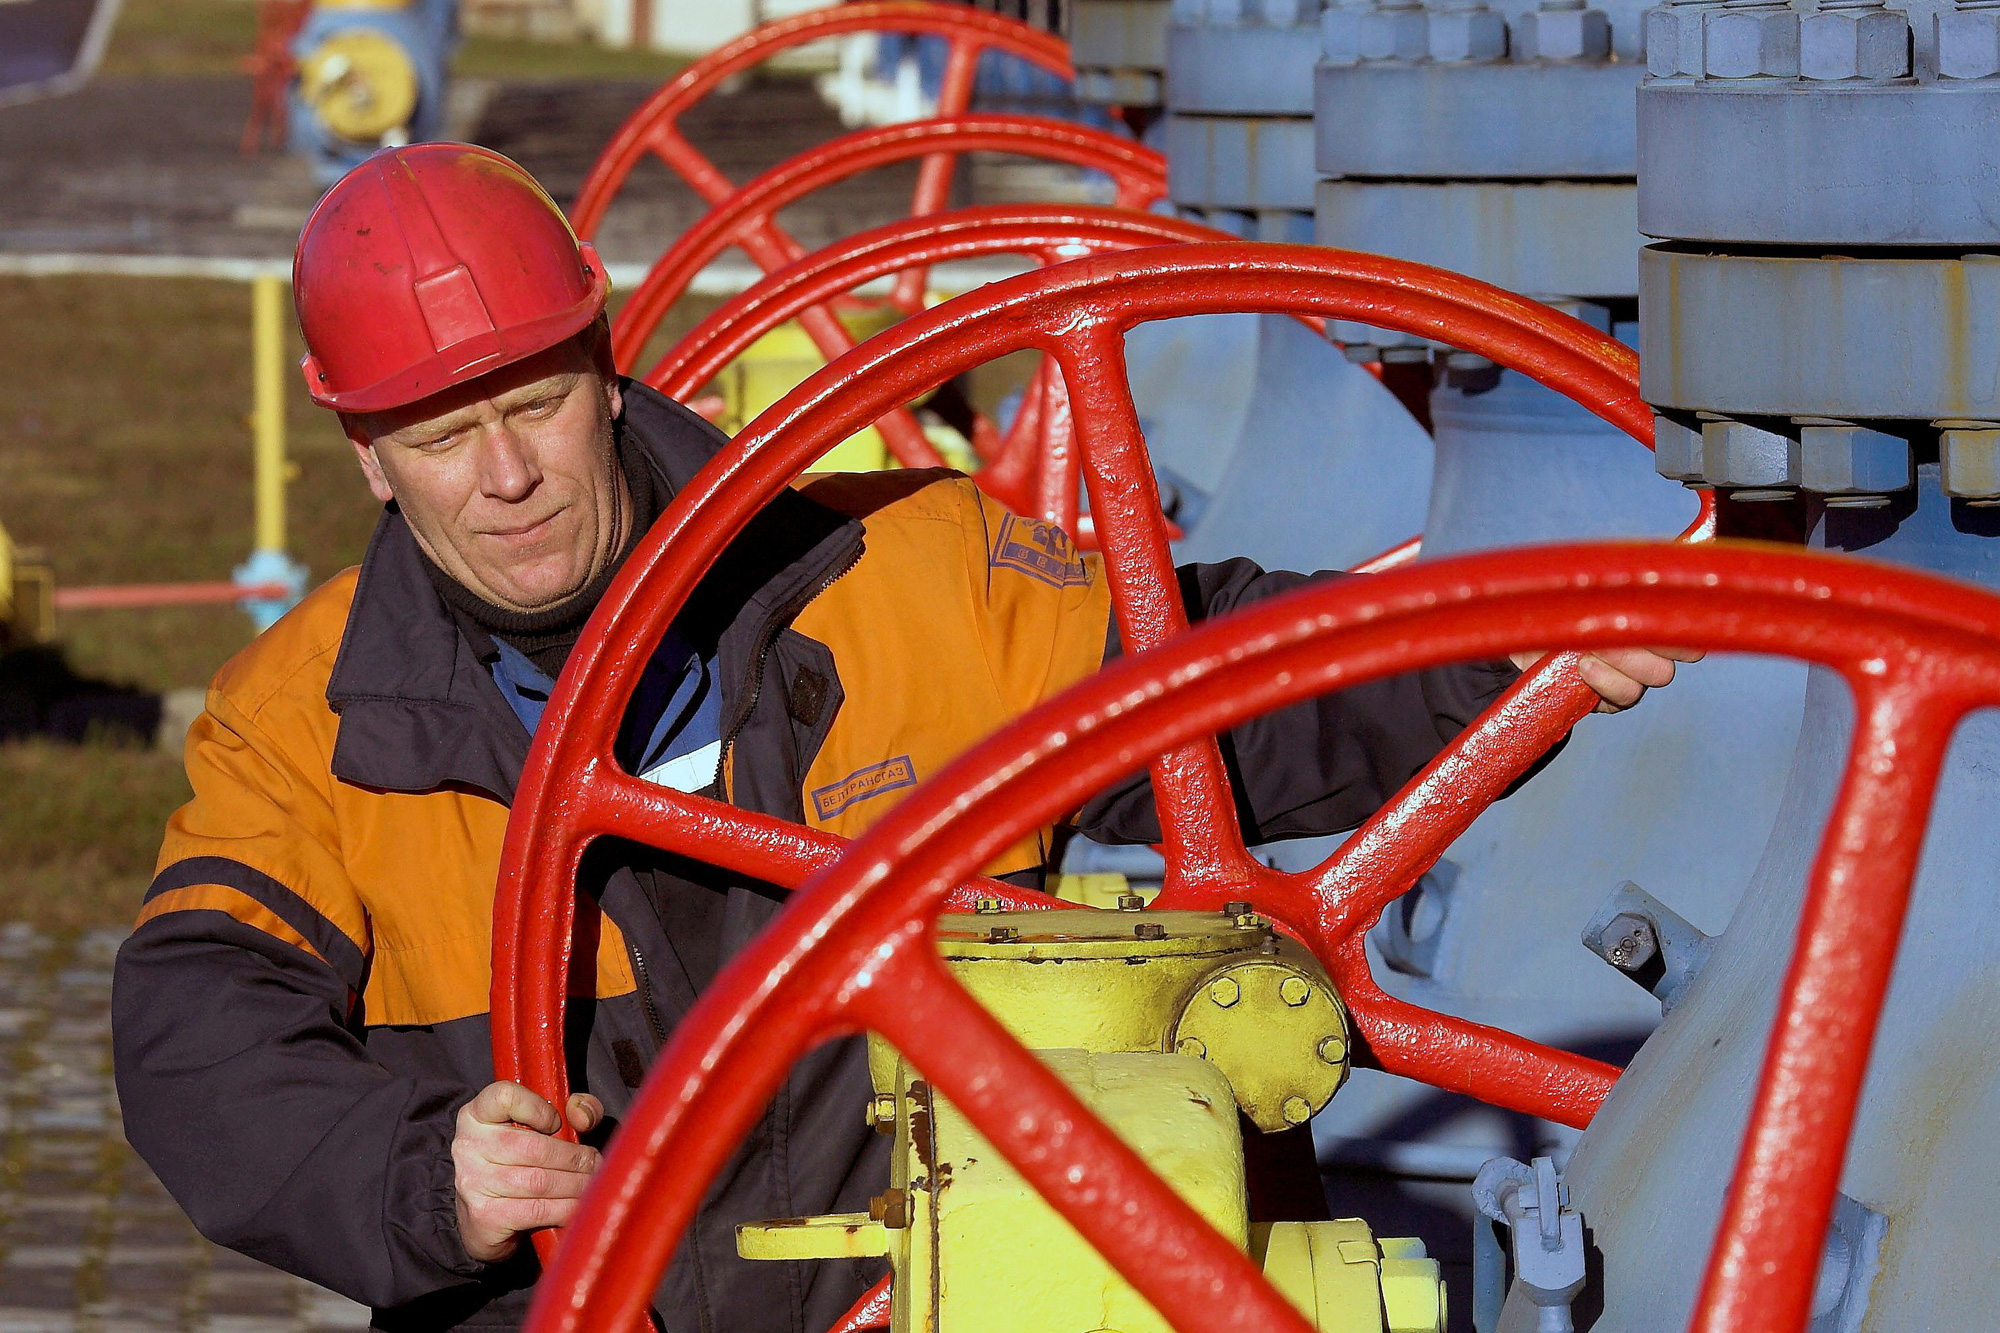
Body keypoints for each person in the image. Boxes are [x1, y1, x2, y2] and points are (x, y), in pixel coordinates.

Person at [110, 143, 1691, 1332]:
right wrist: (424, 1180)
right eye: (443, 437)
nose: (504, 473)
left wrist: (1496, 656)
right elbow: (197, 1034)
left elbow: (1206, 690)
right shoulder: (301, 728)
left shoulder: (900, 581)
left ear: (606, 370)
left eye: (531, 404)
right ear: (369, 458)